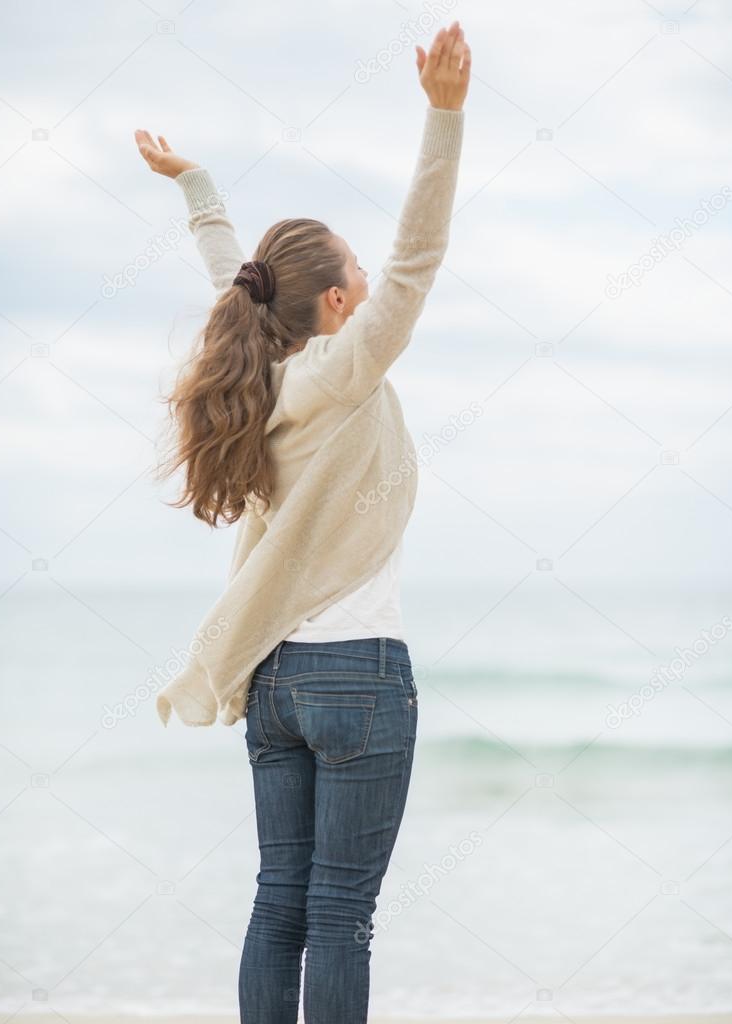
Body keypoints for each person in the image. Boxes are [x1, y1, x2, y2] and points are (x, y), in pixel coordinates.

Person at [135, 19, 470, 1023]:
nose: (374, 283)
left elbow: (234, 276)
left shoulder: (258, 368)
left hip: (274, 682)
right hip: (359, 674)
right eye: (356, 277)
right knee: (340, 914)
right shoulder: (344, 366)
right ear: (334, 302)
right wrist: (445, 122)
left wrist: (198, 190)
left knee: (279, 902)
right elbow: (418, 259)